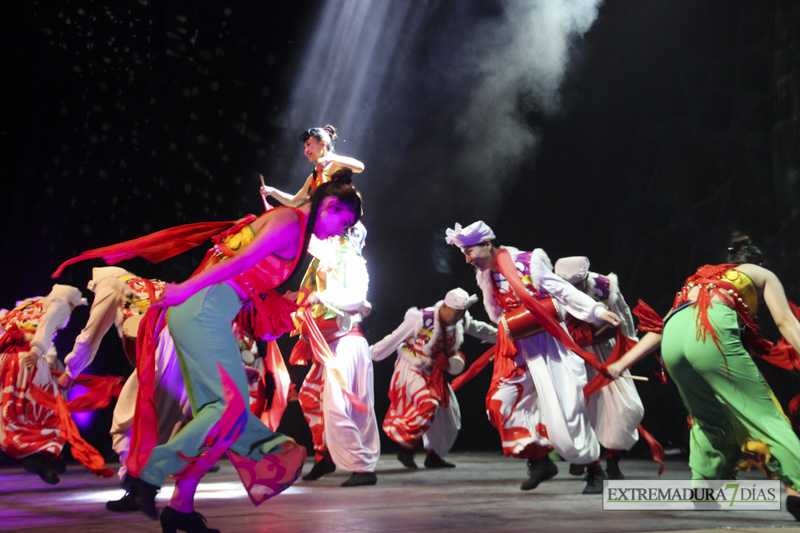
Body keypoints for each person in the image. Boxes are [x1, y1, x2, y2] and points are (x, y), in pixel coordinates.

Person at [124, 176, 363, 531]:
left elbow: (247, 276)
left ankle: (181, 508)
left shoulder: (290, 225)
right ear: (328, 206)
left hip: (207, 310)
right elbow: (237, 264)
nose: (338, 232)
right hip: (201, 307)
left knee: (221, 417)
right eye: (342, 223)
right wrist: (185, 288)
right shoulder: (289, 223)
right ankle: (149, 472)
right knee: (227, 410)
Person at [607, 234, 800, 521]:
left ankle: (705, 489)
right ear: (755, 262)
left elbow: (663, 326)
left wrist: (620, 363)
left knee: (708, 417)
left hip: (674, 338)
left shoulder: (702, 277)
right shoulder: (762, 273)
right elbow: (785, 321)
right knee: (764, 415)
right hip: (709, 331)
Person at [445, 221, 622, 494]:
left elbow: (562, 291)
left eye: (470, 251)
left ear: (488, 244)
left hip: (552, 344)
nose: (468, 259)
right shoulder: (486, 276)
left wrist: (596, 311)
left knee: (569, 410)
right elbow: (500, 317)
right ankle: (539, 461)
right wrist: (500, 336)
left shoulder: (529, 262)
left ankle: (594, 470)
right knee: (499, 403)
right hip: (519, 349)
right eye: (464, 253)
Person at [292, 221, 381, 486]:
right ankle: (325, 455)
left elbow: (356, 298)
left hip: (346, 342)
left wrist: (323, 297)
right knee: (311, 396)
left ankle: (363, 468)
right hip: (330, 344)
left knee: (339, 405)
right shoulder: (331, 261)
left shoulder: (351, 261)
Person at [371, 288, 497, 469]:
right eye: (457, 311)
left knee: (449, 416)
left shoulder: (460, 321)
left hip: (434, 373)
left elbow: (479, 329)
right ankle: (406, 449)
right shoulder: (421, 318)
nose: (460, 316)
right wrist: (369, 353)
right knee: (427, 402)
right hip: (412, 367)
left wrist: (507, 334)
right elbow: (394, 338)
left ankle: (434, 456)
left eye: (463, 312)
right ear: (445, 307)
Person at [554, 256, 645, 479]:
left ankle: (613, 461)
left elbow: (623, 313)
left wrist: (630, 347)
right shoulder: (552, 291)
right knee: (581, 409)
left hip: (607, 353)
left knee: (624, 408)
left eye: (578, 284)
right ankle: (586, 459)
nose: (573, 289)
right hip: (573, 356)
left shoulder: (604, 286)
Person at [0, 285, 87, 484]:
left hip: (6, 361)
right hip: (29, 360)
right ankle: (40, 456)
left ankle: (47, 458)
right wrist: (38, 350)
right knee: (49, 412)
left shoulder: (27, 307)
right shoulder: (60, 305)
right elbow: (46, 328)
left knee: (12, 412)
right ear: (71, 302)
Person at [261, 125, 365, 207]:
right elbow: (294, 202)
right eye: (304, 147)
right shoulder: (314, 177)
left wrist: (331, 158)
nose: (306, 150)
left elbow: (360, 167)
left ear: (322, 143)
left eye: (309, 144)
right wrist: (272, 191)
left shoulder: (336, 164)